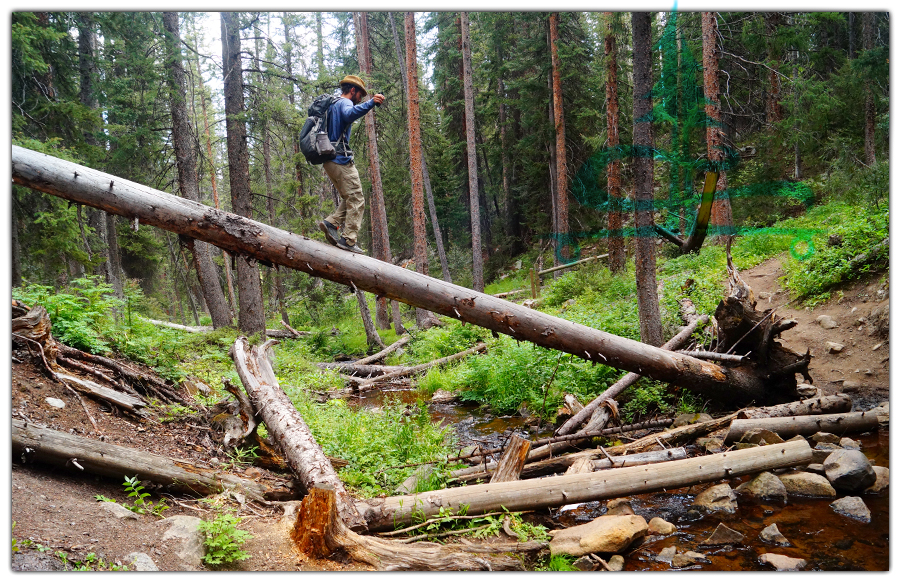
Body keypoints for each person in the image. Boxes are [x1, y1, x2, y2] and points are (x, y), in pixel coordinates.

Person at [318, 75, 385, 254]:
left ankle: (331, 223)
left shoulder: (332, 104)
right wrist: (371, 103)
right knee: (357, 199)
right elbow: (350, 114)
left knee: (349, 198)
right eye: (360, 94)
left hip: (328, 160)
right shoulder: (345, 104)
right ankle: (348, 240)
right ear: (353, 90)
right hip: (340, 160)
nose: (361, 99)